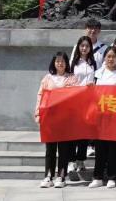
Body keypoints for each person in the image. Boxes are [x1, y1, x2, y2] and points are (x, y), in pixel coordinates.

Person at [36, 51, 77, 188]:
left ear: (66, 63)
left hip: (65, 118)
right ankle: (48, 176)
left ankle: (61, 176)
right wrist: (38, 113)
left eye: (63, 61)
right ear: (54, 63)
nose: (60, 63)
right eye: (58, 61)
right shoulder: (47, 78)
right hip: (50, 118)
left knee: (64, 149)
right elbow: (40, 96)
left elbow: (75, 96)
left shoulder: (72, 78)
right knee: (50, 149)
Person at [89, 47, 116, 188]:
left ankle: (112, 177)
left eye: (113, 56)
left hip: (115, 115)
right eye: (108, 56)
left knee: (113, 148)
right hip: (100, 115)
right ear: (104, 58)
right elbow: (92, 93)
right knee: (100, 147)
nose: (111, 59)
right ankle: (97, 177)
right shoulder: (98, 73)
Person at [68, 36, 97, 177]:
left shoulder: (93, 63)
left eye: (87, 46)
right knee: (73, 133)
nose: (84, 48)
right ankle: (71, 160)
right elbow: (68, 81)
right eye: (82, 46)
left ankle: (81, 160)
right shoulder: (73, 63)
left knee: (84, 133)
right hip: (75, 101)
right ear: (78, 47)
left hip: (88, 102)